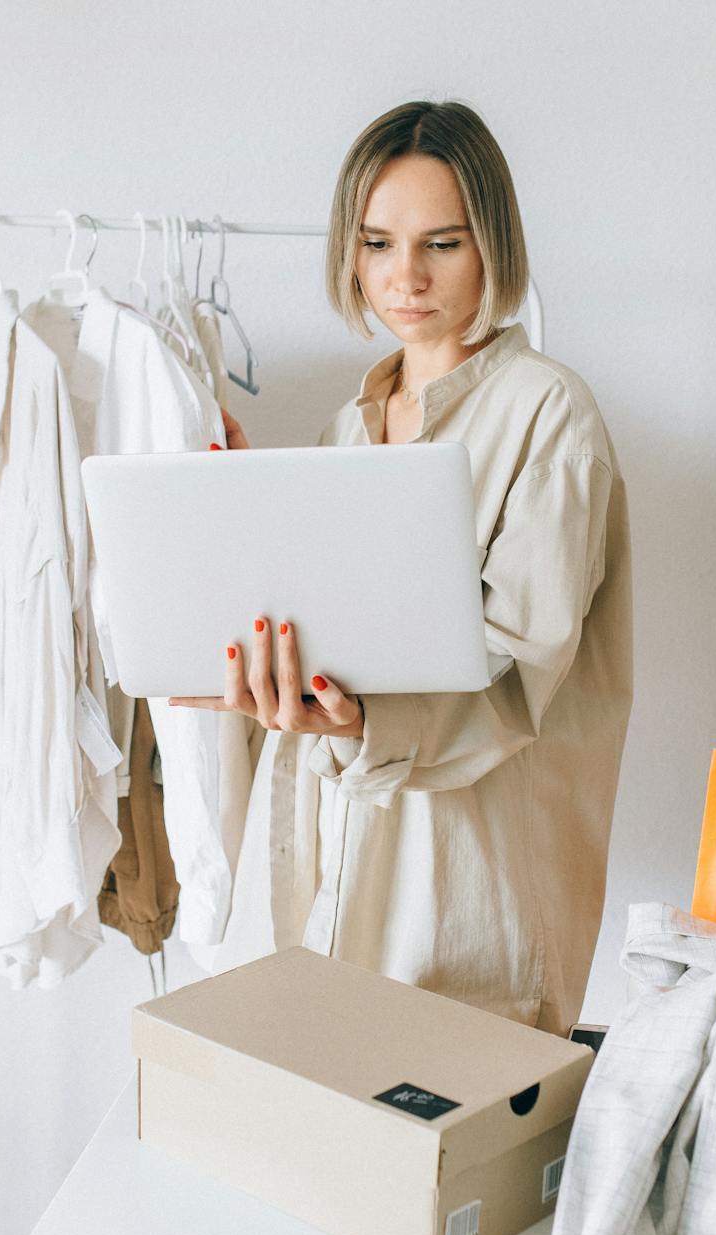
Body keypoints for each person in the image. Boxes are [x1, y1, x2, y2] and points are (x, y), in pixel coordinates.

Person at [171, 100, 632, 1034]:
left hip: (459, 896)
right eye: (378, 243)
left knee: (437, 1161)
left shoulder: (551, 416)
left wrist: (366, 717)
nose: (405, 276)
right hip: (319, 881)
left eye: (443, 243)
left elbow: (515, 671)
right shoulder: (347, 427)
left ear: (492, 244)